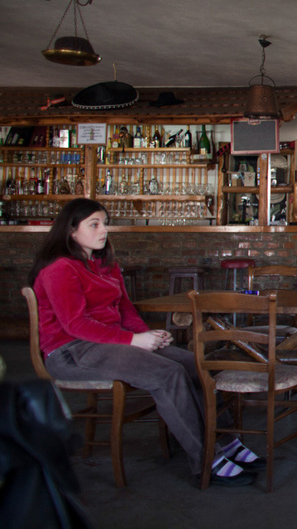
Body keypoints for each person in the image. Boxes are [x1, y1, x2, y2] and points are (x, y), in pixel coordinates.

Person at [28, 198, 262, 487]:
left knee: (196, 364)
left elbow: (125, 310)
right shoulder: (60, 269)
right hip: (70, 351)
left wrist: (151, 337)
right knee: (167, 374)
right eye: (94, 224)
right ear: (71, 231)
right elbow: (75, 325)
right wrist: (134, 340)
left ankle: (226, 441)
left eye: (104, 222)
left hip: (108, 344)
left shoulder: (105, 265)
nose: (104, 230)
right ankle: (206, 461)